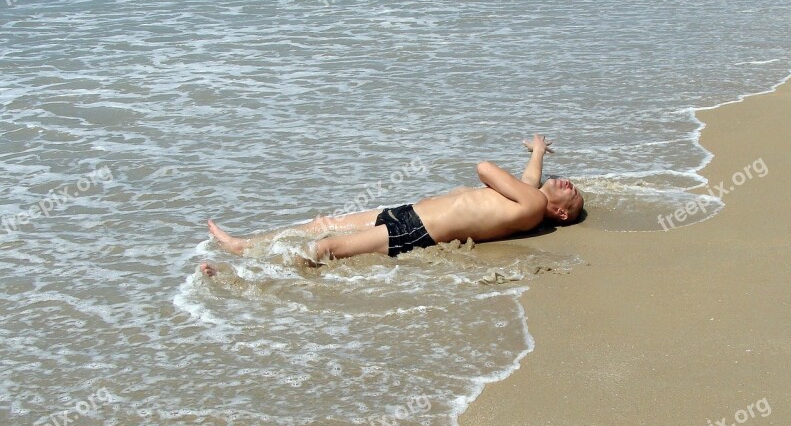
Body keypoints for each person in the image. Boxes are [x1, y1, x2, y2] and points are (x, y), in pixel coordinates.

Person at [200, 133, 583, 275]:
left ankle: (244, 274)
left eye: (573, 192)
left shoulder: (532, 206)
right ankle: (243, 244)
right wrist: (537, 149)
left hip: (417, 231)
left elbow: (484, 168)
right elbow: (531, 180)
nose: (569, 184)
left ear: (561, 213)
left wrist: (529, 167)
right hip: (409, 213)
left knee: (325, 248)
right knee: (323, 223)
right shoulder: (529, 201)